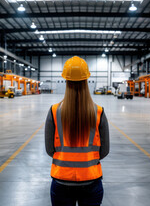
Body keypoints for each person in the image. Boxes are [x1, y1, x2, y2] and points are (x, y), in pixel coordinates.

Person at [45, 56, 110, 206]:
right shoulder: (99, 112)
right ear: (86, 81)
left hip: (61, 181)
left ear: (66, 81)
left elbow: (50, 150)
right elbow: (104, 151)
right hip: (91, 180)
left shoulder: (54, 111)